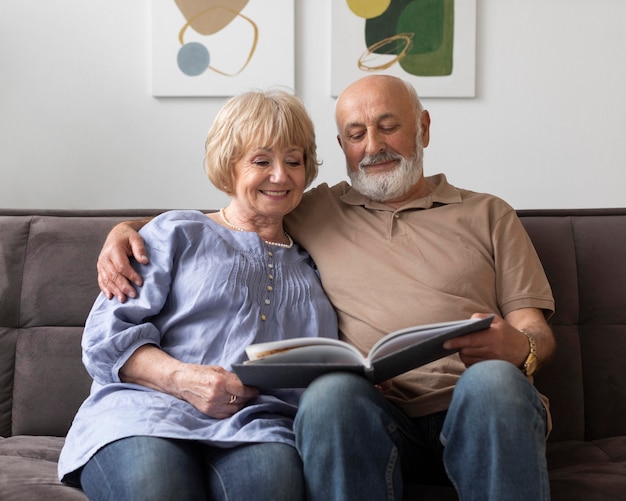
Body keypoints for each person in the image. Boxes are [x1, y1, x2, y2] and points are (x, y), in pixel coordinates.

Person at [96, 75, 556, 500]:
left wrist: (521, 348)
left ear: (424, 128)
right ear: (341, 146)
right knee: (329, 394)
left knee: (497, 379)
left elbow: (534, 329)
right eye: (356, 134)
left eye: (388, 127)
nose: (373, 146)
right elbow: (232, 216)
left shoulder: (490, 214)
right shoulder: (316, 208)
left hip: (477, 403)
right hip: (375, 414)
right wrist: (127, 231)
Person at [58, 89, 338, 501]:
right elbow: (104, 341)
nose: (281, 175)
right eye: (261, 160)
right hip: (145, 412)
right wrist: (182, 378)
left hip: (257, 426)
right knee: (158, 488)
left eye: (293, 161)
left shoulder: (315, 264)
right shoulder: (176, 233)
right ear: (229, 165)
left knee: (273, 487)